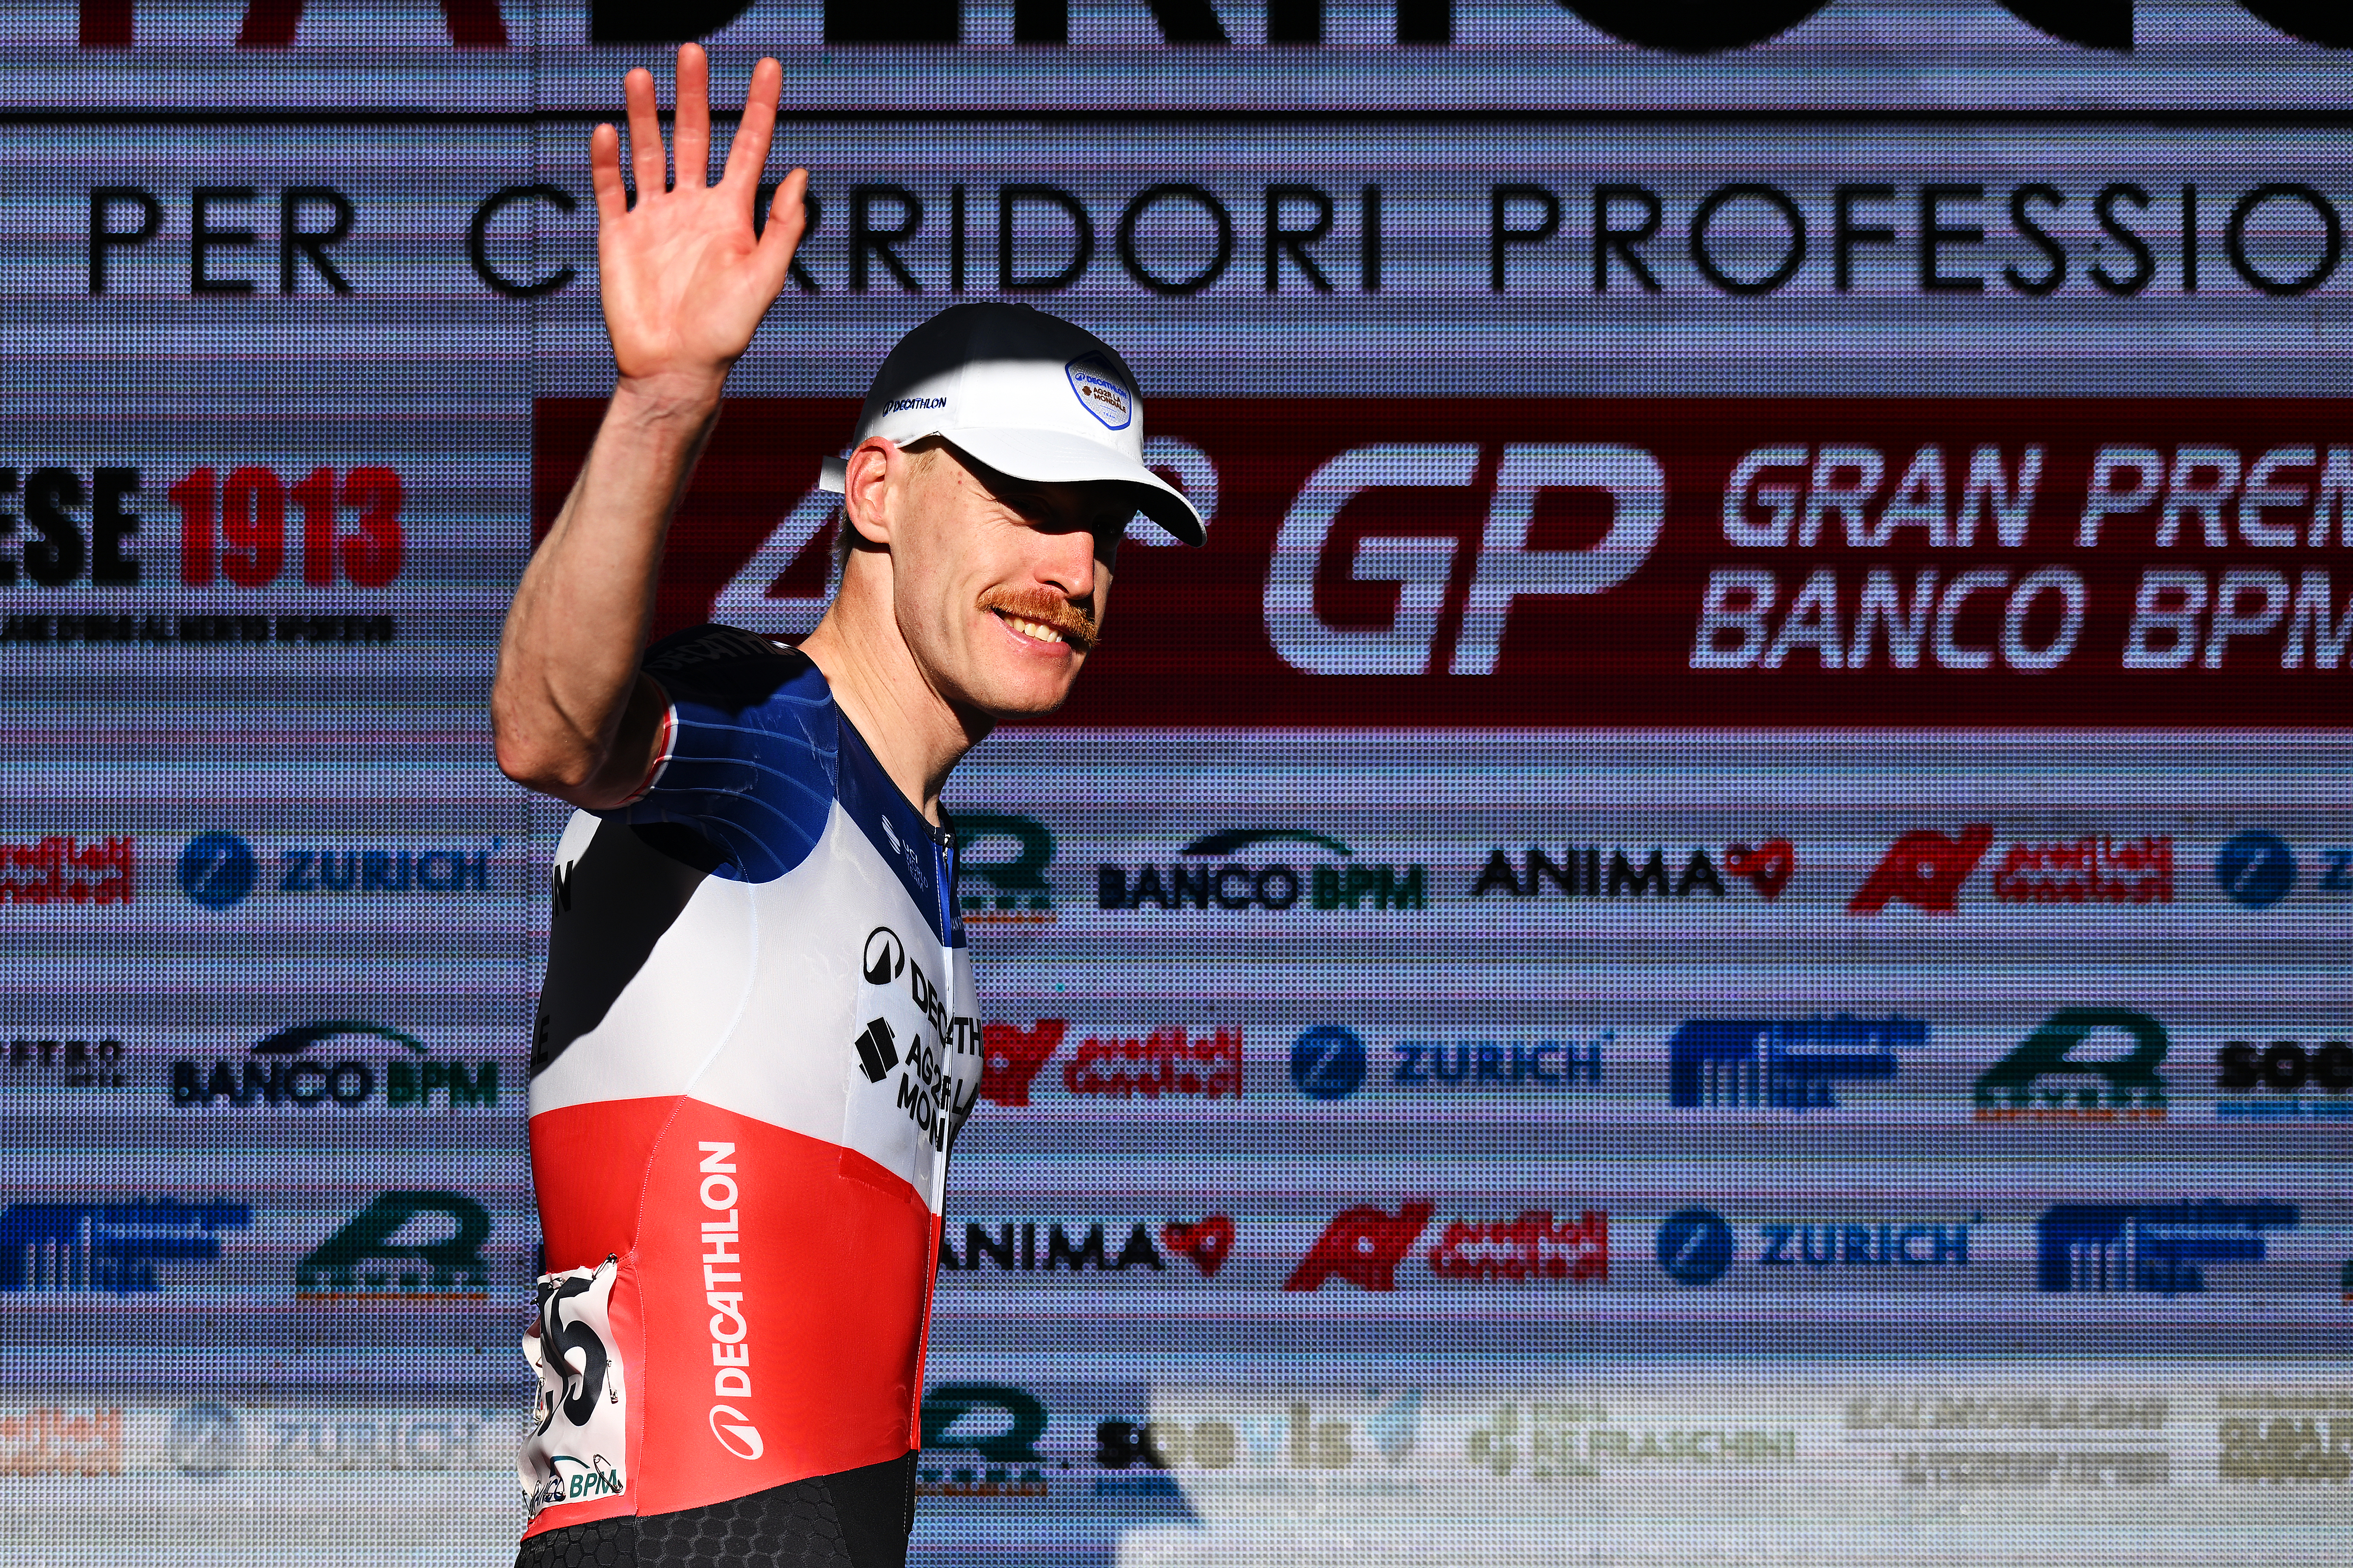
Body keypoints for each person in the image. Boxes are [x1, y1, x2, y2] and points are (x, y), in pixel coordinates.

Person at [489, 44, 1205, 1568]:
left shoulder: (918, 840)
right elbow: (550, 730)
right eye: (1025, 499)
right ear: (874, 492)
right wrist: (662, 403)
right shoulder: (768, 735)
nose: (1073, 571)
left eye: (1105, 533)